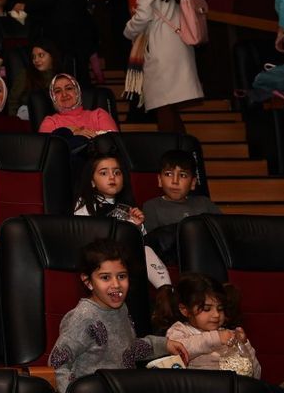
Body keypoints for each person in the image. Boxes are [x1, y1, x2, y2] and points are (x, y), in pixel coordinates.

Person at [49, 238, 187, 390]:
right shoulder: (82, 317)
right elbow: (58, 363)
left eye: (121, 276)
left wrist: (164, 345)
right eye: (105, 277)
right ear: (88, 282)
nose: (116, 285)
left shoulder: (121, 308)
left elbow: (127, 349)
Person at [123, 0, 204, 133]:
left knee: (163, 105)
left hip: (162, 48)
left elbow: (143, 16)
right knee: (168, 106)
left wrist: (127, 31)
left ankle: (173, 149)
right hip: (173, 44)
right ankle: (182, 149)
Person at [73, 150, 172, 287]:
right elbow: (86, 237)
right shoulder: (85, 205)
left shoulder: (127, 206)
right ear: (92, 181)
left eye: (117, 173)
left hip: (125, 258)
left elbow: (140, 242)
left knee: (146, 249)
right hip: (99, 258)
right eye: (104, 173)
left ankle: (166, 289)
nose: (112, 177)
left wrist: (137, 225)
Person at [153, 273, 261, 378]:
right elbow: (179, 349)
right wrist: (216, 338)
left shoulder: (226, 334)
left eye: (220, 309)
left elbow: (255, 375)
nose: (216, 315)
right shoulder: (179, 330)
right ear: (185, 310)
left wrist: (244, 345)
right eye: (207, 309)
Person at [27, 0, 101, 84]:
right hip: (80, 27)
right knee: (79, 67)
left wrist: (27, 6)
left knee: (59, 64)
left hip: (57, 27)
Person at [141, 150, 223, 233]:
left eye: (183, 175)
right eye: (169, 174)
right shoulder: (152, 207)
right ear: (159, 180)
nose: (175, 181)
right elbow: (151, 238)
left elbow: (224, 231)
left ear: (193, 183)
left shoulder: (204, 203)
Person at [38, 74, 118, 148]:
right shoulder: (50, 122)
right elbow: (47, 151)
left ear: (77, 92)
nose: (64, 94)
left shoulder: (99, 115)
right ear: (53, 97)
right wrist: (71, 134)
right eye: (58, 91)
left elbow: (113, 144)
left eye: (69, 88)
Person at [8, 41, 62, 119]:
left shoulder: (61, 76)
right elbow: (13, 100)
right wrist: (14, 120)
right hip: (27, 115)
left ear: (52, 56)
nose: (36, 60)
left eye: (41, 55)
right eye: (33, 57)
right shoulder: (26, 75)